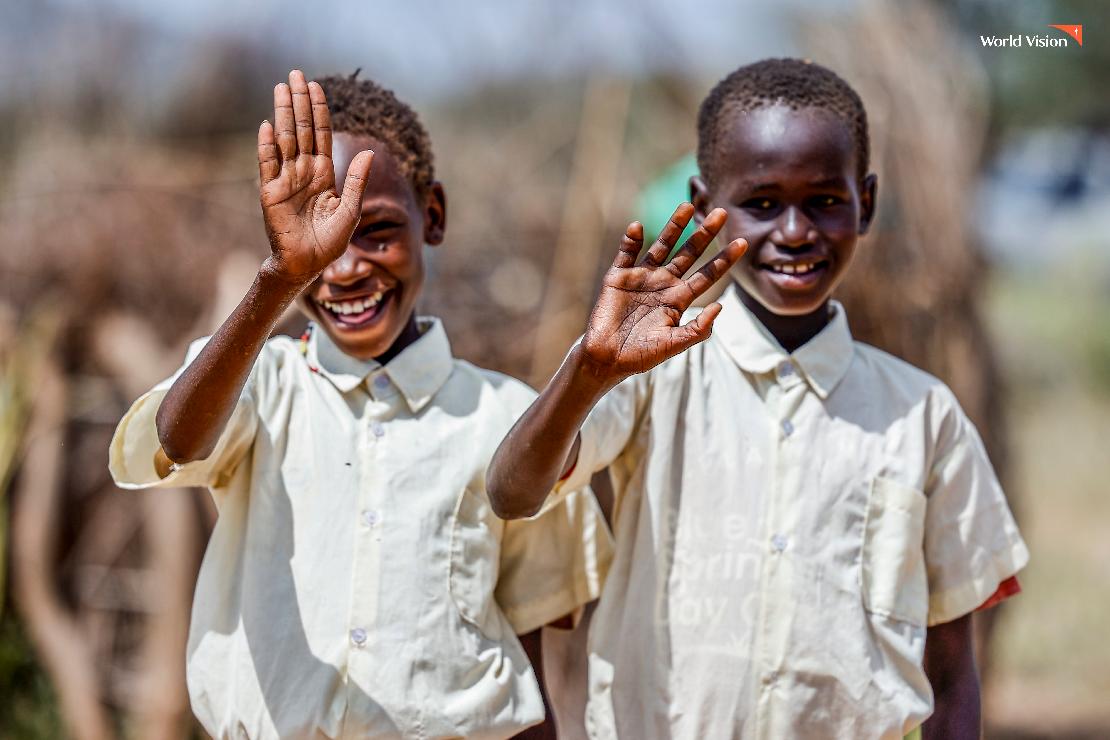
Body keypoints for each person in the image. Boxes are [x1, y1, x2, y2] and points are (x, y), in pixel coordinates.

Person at [487, 58, 1027, 739]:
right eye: (762, 203)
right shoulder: (648, 382)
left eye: (825, 201)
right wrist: (589, 373)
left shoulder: (924, 417)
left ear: (868, 200)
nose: (795, 232)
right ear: (705, 203)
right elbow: (513, 493)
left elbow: (951, 675)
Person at [109, 69, 610, 739]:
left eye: (375, 231)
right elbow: (177, 440)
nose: (345, 270)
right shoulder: (264, 386)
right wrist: (280, 278)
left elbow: (526, 663)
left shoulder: (513, 424)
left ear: (432, 216)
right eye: (323, 244)